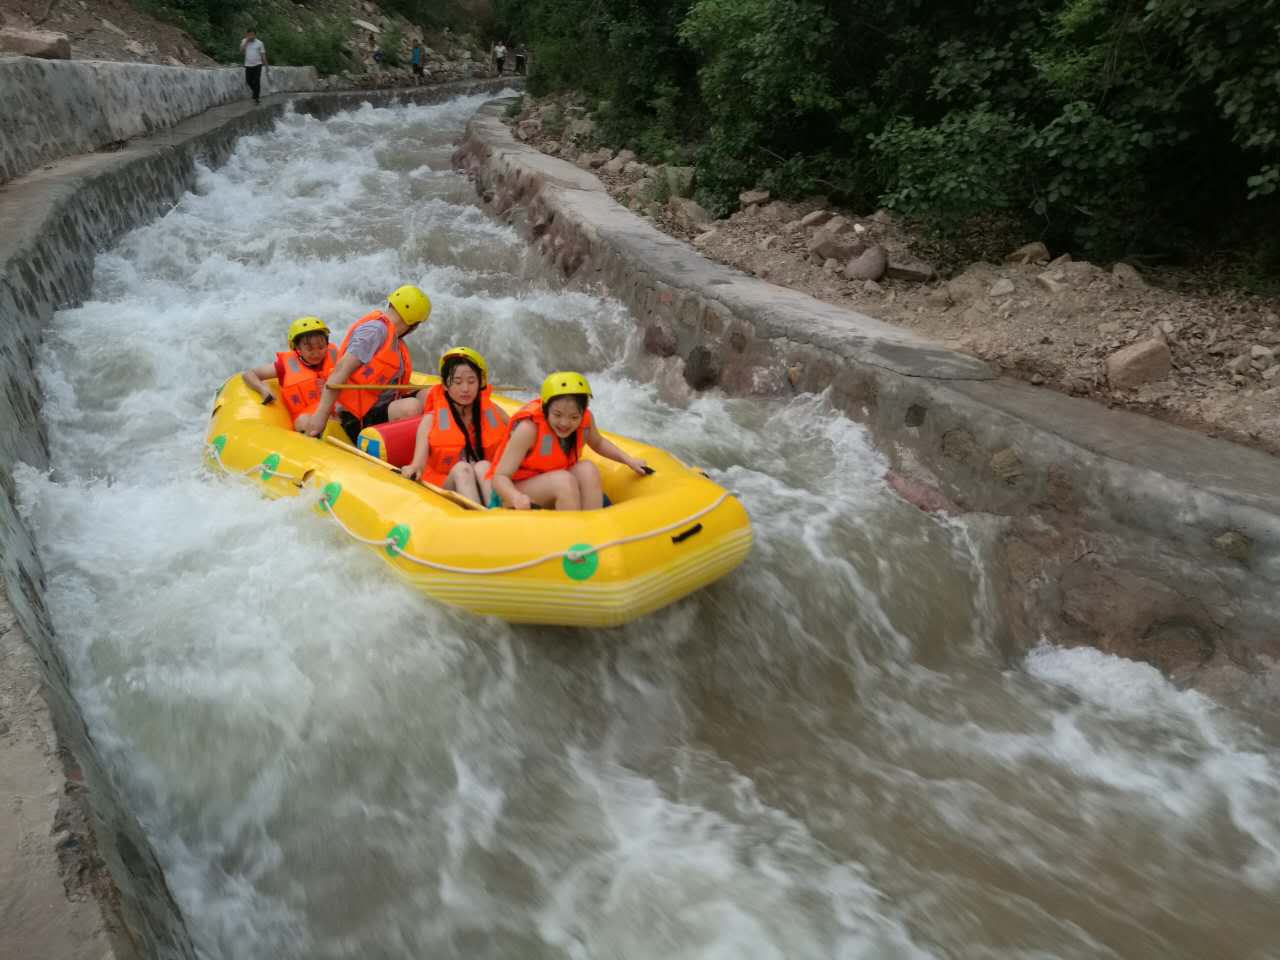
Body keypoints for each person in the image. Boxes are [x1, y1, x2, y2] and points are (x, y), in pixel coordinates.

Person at [487, 371, 648, 510]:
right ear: (545, 408)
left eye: (573, 417)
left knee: (588, 469)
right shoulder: (529, 429)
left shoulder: (586, 420)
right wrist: (516, 497)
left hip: (553, 480)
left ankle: (593, 528)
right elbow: (499, 478)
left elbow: (598, 443)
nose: (564, 423)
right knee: (563, 481)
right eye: (557, 415)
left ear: (583, 412)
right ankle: (573, 538)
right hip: (516, 492)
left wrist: (629, 460)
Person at [293, 285, 432, 441]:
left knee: (431, 395)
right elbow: (341, 369)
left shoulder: (395, 339)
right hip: (358, 416)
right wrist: (321, 415)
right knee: (411, 407)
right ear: (413, 323)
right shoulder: (374, 331)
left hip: (385, 405)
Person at [399, 347, 509, 504]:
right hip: (445, 483)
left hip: (481, 478)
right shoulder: (431, 419)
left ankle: (496, 513)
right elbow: (418, 463)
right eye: (457, 382)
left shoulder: (491, 411)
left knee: (484, 466)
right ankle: (476, 518)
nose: (465, 389)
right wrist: (412, 469)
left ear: (480, 383)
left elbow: (516, 431)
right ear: (445, 385)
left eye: (471, 382)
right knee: (462, 469)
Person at [242, 316, 340, 427]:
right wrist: (262, 389)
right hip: (307, 419)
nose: (316, 353)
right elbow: (249, 374)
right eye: (309, 349)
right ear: (297, 348)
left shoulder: (338, 359)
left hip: (338, 415)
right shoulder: (284, 367)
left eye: (321, 347)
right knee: (303, 420)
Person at [240, 29, 268, 104]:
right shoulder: (244, 41)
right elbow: (241, 51)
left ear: (255, 35)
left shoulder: (260, 43)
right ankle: (255, 92)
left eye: (253, 35)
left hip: (258, 64)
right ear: (247, 34)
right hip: (248, 65)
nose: (251, 36)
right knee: (248, 80)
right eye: (249, 34)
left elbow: (263, 55)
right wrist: (246, 42)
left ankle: (256, 98)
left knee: (257, 80)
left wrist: (266, 65)